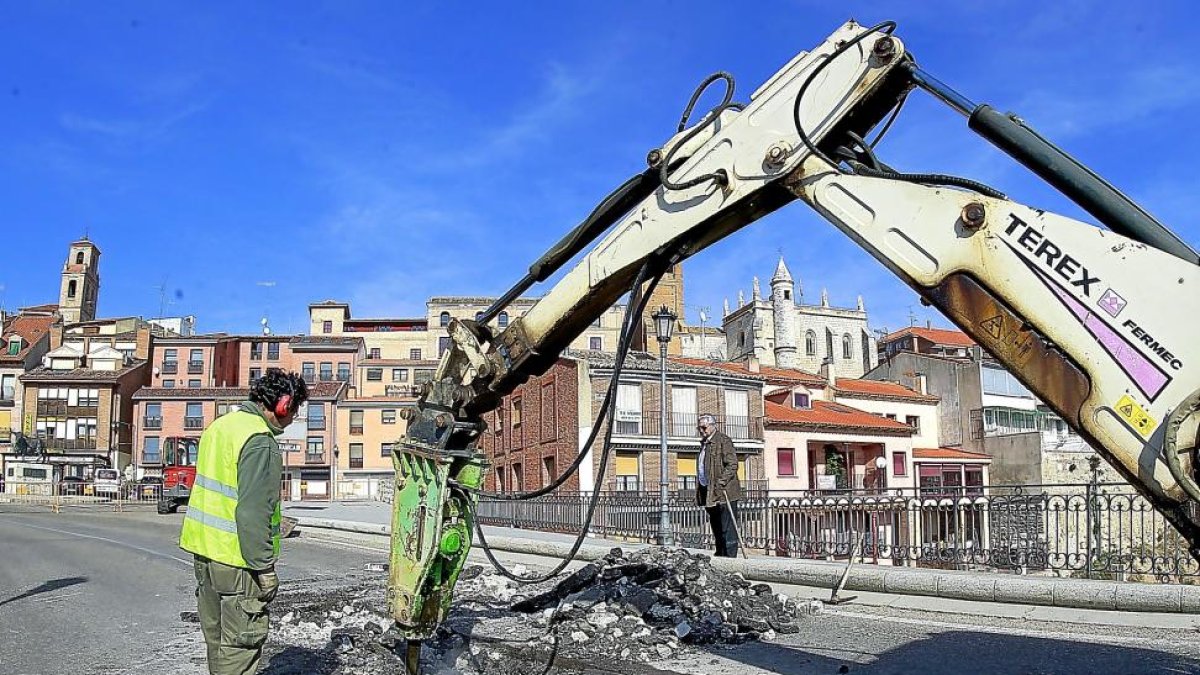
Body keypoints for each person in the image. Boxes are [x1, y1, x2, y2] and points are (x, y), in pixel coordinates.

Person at [179, 368, 308, 675]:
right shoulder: (260, 440)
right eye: (294, 411)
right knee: (239, 648)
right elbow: (252, 511)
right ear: (283, 405)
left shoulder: (220, 427)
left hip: (206, 556)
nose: (292, 420)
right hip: (238, 562)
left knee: (218, 642)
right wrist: (263, 567)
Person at [696, 413, 742, 557]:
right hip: (709, 492)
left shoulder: (723, 441)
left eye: (704, 428)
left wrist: (720, 482)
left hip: (724, 492)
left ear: (712, 426)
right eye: (699, 428)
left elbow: (733, 465)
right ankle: (721, 554)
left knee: (727, 527)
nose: (702, 431)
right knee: (716, 526)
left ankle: (730, 558)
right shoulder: (704, 444)